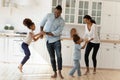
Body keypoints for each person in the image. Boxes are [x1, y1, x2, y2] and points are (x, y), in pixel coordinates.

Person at [40, 5, 65, 79]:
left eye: (59, 13)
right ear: (54, 10)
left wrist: (45, 33)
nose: (57, 14)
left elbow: (57, 32)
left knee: (59, 56)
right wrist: (41, 32)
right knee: (52, 57)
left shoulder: (62, 21)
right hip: (48, 41)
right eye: (56, 12)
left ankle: (60, 72)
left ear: (61, 12)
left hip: (56, 40)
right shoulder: (48, 15)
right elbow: (42, 24)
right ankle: (55, 73)